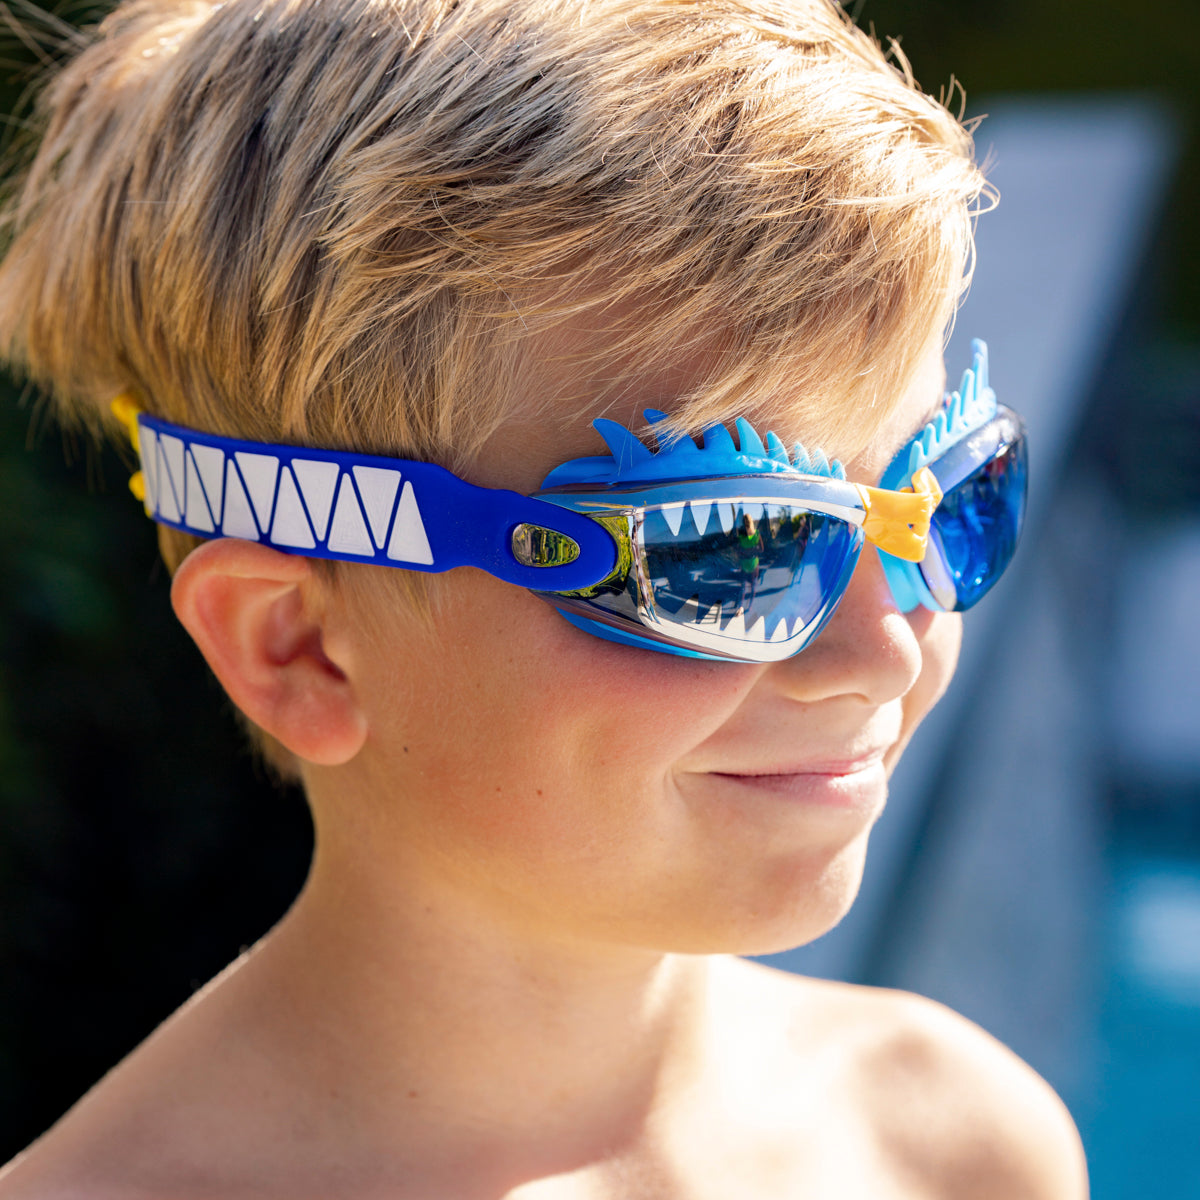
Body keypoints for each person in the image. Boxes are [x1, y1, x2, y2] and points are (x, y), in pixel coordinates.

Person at [0, 0, 1088, 1194]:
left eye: (946, 498)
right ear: (299, 645)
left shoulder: (953, 1143)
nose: (883, 650)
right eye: (724, 550)